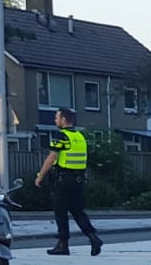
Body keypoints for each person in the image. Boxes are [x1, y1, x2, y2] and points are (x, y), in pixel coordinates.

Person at [34, 108, 103, 256]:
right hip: (78, 180)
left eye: (57, 117)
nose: (55, 120)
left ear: (64, 119)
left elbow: (52, 158)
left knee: (60, 212)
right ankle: (93, 237)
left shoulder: (62, 136)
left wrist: (40, 175)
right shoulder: (80, 136)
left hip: (62, 180)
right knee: (78, 211)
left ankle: (63, 245)